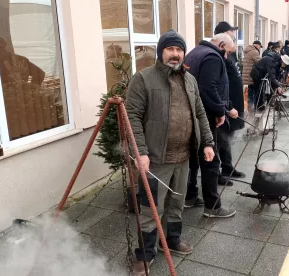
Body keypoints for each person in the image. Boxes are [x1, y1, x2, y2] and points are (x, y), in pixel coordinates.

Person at [125, 30, 215, 275]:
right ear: (161, 52)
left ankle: (172, 240)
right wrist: (140, 152)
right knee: (150, 208)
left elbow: (199, 114)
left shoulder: (190, 80)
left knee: (177, 203)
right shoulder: (143, 79)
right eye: (170, 49)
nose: (175, 54)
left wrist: (207, 143)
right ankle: (145, 254)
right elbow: (131, 117)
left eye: (179, 49)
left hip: (183, 156)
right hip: (155, 159)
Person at [184, 33, 237, 218]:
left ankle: (190, 196)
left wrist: (226, 107)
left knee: (193, 157)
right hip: (204, 115)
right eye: (228, 52)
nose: (227, 57)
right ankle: (213, 206)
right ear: (221, 45)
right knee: (210, 159)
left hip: (190, 113)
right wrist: (221, 111)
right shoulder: (213, 57)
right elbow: (209, 88)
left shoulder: (195, 52)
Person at [215, 22, 247, 180]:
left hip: (235, 104)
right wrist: (229, 107)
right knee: (219, 141)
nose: (234, 36)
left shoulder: (231, 53)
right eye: (231, 32)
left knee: (228, 139)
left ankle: (227, 167)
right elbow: (218, 87)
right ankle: (216, 173)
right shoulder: (217, 56)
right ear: (222, 36)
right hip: (226, 107)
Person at [250, 42, 289, 108]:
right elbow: (272, 76)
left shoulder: (277, 60)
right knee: (259, 90)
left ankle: (260, 104)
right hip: (257, 73)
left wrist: (278, 84)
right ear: (282, 61)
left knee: (261, 90)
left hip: (261, 73)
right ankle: (258, 106)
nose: (284, 66)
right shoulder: (272, 61)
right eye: (284, 64)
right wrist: (278, 86)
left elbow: (276, 74)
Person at [242, 40, 263, 110]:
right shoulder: (254, 51)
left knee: (249, 91)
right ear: (257, 45)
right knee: (254, 92)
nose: (259, 48)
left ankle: (249, 106)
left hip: (246, 74)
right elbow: (259, 62)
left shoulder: (247, 51)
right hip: (252, 75)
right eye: (260, 47)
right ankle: (252, 107)